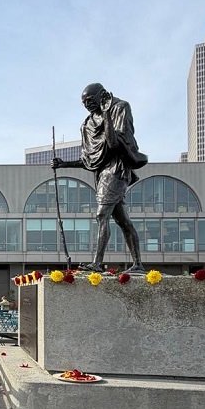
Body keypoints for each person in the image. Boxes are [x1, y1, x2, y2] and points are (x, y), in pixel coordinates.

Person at [53, 83, 148, 272]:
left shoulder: (120, 107)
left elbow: (115, 144)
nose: (87, 105)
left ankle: (97, 263)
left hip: (117, 170)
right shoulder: (87, 124)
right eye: (84, 103)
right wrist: (64, 164)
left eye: (90, 100)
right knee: (123, 221)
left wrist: (106, 115)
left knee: (101, 215)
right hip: (103, 174)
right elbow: (89, 160)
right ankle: (138, 264)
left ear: (102, 95)